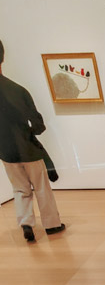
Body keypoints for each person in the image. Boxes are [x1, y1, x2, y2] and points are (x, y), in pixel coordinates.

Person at [0, 39, 65, 243]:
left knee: (20, 189)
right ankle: (52, 224)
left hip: (6, 152)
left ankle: (26, 224)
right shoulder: (18, 90)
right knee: (42, 188)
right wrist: (30, 130)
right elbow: (38, 124)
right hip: (28, 149)